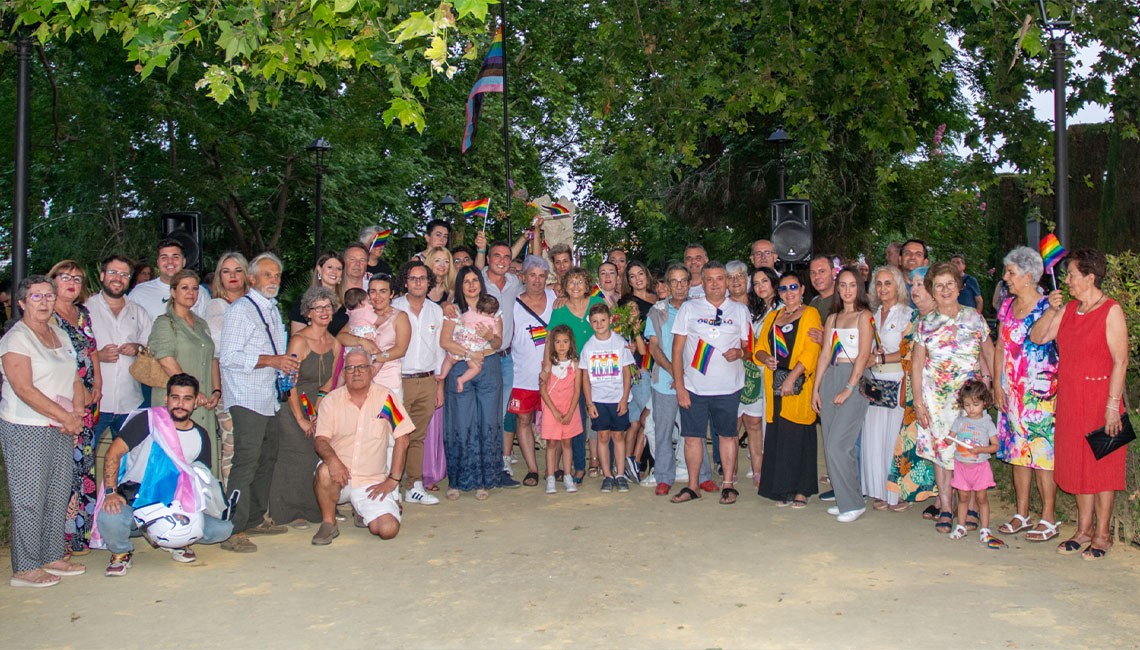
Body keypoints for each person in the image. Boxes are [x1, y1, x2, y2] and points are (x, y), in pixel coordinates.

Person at [1030, 248, 1129, 560]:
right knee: (1078, 466)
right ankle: (1083, 529)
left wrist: (1113, 406)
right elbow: (1038, 338)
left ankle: (1102, 534)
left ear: (1090, 277)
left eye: (1072, 274)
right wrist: (1050, 309)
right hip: (1071, 399)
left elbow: (1121, 361)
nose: (1067, 280)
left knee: (1103, 469)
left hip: (1102, 400)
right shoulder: (1069, 309)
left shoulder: (1111, 310)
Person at [97, 374, 234, 575]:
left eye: (187, 399)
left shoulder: (201, 435)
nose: (180, 404)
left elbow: (199, 479)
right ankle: (121, 553)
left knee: (222, 530)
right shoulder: (148, 420)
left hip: (174, 505)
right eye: (175, 397)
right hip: (136, 501)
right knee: (110, 516)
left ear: (196, 402)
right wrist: (110, 491)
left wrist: (200, 512)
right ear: (166, 399)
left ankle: (177, 541)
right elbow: (113, 453)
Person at [0, 275, 87, 588]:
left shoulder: (59, 334)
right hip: (27, 426)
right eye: (36, 297)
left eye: (49, 296)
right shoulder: (16, 339)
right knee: (29, 497)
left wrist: (75, 414)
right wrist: (66, 416)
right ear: (22, 303)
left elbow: (75, 379)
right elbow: (24, 388)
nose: (44, 302)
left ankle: (51, 555)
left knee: (56, 492)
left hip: (61, 425)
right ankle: (24, 568)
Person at [218, 252, 298, 552]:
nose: (273, 280)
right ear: (251, 279)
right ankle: (232, 529)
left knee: (267, 459)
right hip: (247, 397)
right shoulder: (241, 310)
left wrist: (284, 364)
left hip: (269, 397)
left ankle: (253, 518)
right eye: (267, 274)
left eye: (277, 275)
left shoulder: (272, 309)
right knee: (246, 462)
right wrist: (273, 360)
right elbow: (229, 357)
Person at [912, 261, 994, 535]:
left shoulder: (974, 318)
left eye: (949, 284)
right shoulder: (925, 323)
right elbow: (916, 365)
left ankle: (970, 507)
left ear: (959, 287)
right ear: (932, 292)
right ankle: (946, 508)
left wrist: (994, 386)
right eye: (939, 286)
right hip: (936, 400)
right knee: (941, 453)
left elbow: (990, 354)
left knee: (970, 452)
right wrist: (919, 403)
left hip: (970, 400)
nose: (945, 290)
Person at [310, 348, 414, 545]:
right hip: (339, 477)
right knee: (324, 471)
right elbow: (320, 440)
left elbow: (403, 438)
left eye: (362, 367)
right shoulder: (331, 401)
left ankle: (362, 511)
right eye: (350, 368)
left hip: (371, 482)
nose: (356, 372)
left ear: (372, 371)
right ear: (343, 373)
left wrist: (394, 479)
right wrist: (333, 461)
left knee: (388, 529)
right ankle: (328, 522)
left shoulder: (386, 398)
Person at [670, 261, 751, 505]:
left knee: (728, 435)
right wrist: (680, 385)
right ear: (702, 283)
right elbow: (677, 349)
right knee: (693, 437)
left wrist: (740, 354)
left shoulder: (739, 310)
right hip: (694, 387)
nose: (715, 284)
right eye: (710, 279)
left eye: (719, 278)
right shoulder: (689, 309)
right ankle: (693, 486)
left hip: (728, 387)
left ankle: (728, 484)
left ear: (726, 281)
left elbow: (749, 349)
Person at [993, 247, 1060, 542]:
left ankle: (1049, 516)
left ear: (1029, 276)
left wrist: (1057, 309)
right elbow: (999, 347)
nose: (1006, 277)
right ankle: (1023, 512)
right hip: (1011, 390)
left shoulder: (1049, 306)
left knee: (1043, 454)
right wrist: (997, 384)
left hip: (1040, 393)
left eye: (1011, 272)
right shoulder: (1007, 306)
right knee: (1018, 453)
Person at [268, 287, 340, 529]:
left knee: (314, 455)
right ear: (308, 313)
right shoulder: (299, 341)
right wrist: (300, 418)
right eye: (317, 308)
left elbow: (332, 381)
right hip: (293, 404)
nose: (323, 312)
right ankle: (288, 511)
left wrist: (319, 408)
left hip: (319, 407)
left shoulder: (335, 343)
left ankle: (316, 508)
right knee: (296, 453)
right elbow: (287, 382)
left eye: (327, 307)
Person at [755, 271, 823, 508]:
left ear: (803, 289)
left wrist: (791, 379)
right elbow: (760, 347)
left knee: (798, 435)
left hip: (799, 384)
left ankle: (801, 490)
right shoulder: (774, 316)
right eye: (783, 289)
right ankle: (781, 489)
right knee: (779, 435)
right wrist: (765, 358)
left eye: (793, 287)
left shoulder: (811, 314)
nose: (788, 293)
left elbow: (811, 351)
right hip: (775, 383)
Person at [812, 268, 873, 522]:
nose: (847, 290)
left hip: (854, 381)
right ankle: (845, 497)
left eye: (852, 285)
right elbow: (825, 354)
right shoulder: (833, 318)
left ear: (859, 287)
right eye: (843, 286)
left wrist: (849, 387)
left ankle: (853, 504)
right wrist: (816, 388)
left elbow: (862, 355)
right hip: (830, 379)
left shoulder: (865, 316)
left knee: (840, 444)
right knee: (830, 443)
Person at [49, 260, 101, 555]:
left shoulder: (82, 314)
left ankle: (80, 537)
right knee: (63, 469)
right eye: (65, 277)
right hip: (63, 400)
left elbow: (91, 349)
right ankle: (59, 541)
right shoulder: (47, 315)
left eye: (78, 279)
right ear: (53, 281)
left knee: (83, 467)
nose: (72, 282)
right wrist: (80, 389)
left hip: (88, 401)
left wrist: (98, 383)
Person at [441, 266, 504, 500]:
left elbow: (498, 342)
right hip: (460, 367)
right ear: (460, 285)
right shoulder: (453, 310)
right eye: (466, 281)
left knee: (488, 421)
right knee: (461, 421)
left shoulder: (493, 309)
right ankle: (458, 480)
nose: (471, 285)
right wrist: (469, 355)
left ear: (481, 283)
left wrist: (489, 337)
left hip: (489, 368)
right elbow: (445, 341)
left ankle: (484, 480)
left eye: (475, 280)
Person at [391, 261, 444, 505]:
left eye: (422, 278)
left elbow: (440, 349)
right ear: (405, 281)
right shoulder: (393, 309)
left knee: (417, 436)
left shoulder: (436, 311)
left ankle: (414, 485)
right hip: (399, 380)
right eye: (413, 278)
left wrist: (439, 384)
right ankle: (390, 487)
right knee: (392, 436)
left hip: (427, 380)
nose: (418, 282)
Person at [861, 265, 913, 511]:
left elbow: (908, 351)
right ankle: (878, 490)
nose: (882, 288)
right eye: (878, 283)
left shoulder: (907, 315)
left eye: (888, 283)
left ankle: (897, 493)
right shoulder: (871, 315)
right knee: (874, 438)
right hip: (874, 382)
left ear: (898, 287)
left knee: (894, 440)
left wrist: (880, 358)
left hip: (897, 381)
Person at [885, 267, 938, 510]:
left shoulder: (942, 317)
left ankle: (942, 500)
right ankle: (917, 493)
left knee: (936, 443)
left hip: (936, 390)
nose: (915, 289)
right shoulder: (915, 318)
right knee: (913, 442)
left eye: (921, 284)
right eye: (913, 284)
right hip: (911, 386)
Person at [147, 270, 220, 443]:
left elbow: (212, 358)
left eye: (195, 289)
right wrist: (192, 392)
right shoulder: (165, 323)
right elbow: (165, 360)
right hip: (177, 403)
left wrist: (216, 391)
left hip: (204, 402)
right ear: (173, 292)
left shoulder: (201, 324)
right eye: (185, 288)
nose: (190, 293)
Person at [86, 255, 152, 447]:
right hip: (96, 401)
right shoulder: (85, 310)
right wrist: (98, 356)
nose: (118, 278)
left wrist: (138, 348)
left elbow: (150, 346)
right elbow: (71, 354)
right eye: (113, 272)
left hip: (130, 402)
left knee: (130, 460)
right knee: (86, 459)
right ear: (101, 276)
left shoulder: (138, 311)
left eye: (124, 274)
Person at [549, 267, 606, 481]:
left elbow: (611, 328)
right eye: (571, 282)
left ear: (587, 285)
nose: (575, 286)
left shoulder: (595, 305)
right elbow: (549, 340)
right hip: (570, 372)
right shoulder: (560, 310)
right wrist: (546, 367)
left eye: (580, 282)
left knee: (602, 415)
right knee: (576, 419)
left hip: (598, 370)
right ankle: (579, 466)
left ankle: (606, 464)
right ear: (564, 286)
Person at [508, 255, 557, 488]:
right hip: (523, 374)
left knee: (554, 420)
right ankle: (533, 469)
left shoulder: (556, 299)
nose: (537, 280)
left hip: (554, 374)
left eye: (541, 276)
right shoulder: (512, 302)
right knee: (524, 419)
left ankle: (553, 468)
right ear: (523, 277)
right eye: (532, 275)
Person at [482, 241, 524, 486]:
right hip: (483, 357)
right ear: (488, 258)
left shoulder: (514, 284)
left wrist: (532, 233)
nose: (501, 260)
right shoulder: (478, 281)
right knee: (485, 412)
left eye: (507, 257)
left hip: (507, 357)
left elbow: (534, 267)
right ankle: (484, 463)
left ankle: (502, 462)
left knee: (504, 412)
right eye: (496, 255)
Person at [581, 302, 635, 493]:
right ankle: (607, 475)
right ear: (590, 323)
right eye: (595, 321)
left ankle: (620, 474)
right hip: (598, 400)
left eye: (603, 320)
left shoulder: (620, 343)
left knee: (618, 436)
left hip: (618, 398)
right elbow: (585, 377)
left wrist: (624, 398)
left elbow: (627, 373)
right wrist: (589, 403)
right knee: (602, 436)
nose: (599, 324)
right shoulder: (588, 347)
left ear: (610, 320)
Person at [945, 380, 1002, 547]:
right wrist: (948, 440)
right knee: (962, 496)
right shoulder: (960, 421)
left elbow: (995, 446)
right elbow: (951, 436)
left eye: (975, 404)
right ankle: (961, 526)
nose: (971, 409)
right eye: (967, 405)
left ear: (985, 402)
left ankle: (985, 528)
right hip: (962, 466)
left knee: (981, 498)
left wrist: (981, 450)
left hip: (980, 467)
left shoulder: (987, 423)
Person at [741, 267, 781, 487]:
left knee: (774, 422)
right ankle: (763, 470)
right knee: (759, 421)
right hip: (757, 373)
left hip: (776, 372)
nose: (760, 287)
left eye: (764, 281)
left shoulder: (783, 308)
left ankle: (776, 471)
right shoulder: (757, 311)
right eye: (756, 283)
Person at [620, 260, 656, 482]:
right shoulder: (627, 302)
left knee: (638, 419)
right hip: (639, 364)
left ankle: (634, 462)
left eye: (640, 273)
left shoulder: (659, 296)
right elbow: (627, 333)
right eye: (632, 276)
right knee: (647, 416)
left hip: (658, 361)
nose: (637, 279)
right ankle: (637, 461)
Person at [540, 325, 583, 494]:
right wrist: (555, 411)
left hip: (569, 409)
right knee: (551, 443)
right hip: (552, 409)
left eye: (565, 342)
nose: (561, 346)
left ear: (571, 343)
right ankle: (550, 476)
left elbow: (577, 390)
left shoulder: (575, 364)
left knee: (567, 442)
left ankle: (567, 476)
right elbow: (543, 390)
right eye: (557, 342)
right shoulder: (548, 364)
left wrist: (571, 412)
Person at [128, 239, 209, 319]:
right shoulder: (139, 293)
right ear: (158, 262)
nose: (170, 261)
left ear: (184, 262)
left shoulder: (200, 293)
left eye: (175, 257)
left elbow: (208, 329)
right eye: (164, 257)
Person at [362, 275, 411, 398]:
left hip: (389, 382)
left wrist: (375, 358)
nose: (377, 297)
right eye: (373, 292)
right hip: (362, 382)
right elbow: (342, 336)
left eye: (383, 291)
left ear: (391, 294)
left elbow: (400, 350)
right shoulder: (362, 314)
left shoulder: (400, 317)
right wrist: (360, 340)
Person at [442, 294, 498, 393]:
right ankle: (462, 380)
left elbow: (463, 319)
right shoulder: (491, 321)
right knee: (476, 368)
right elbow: (495, 335)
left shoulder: (470, 313)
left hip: (461, 344)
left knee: (449, 359)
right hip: (475, 350)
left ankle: (443, 374)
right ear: (492, 313)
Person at [288, 252, 346, 335]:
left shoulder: (347, 304)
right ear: (319, 269)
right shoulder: (304, 302)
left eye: (339, 269)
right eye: (330, 267)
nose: (334, 272)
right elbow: (297, 338)